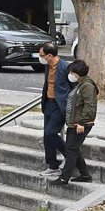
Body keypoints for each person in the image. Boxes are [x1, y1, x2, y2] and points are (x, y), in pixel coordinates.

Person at [51, 59, 97, 186]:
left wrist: (81, 122)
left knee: (70, 150)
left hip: (80, 124)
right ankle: (85, 174)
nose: (70, 75)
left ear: (77, 73)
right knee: (73, 149)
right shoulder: (80, 84)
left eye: (71, 72)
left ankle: (64, 178)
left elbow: (89, 106)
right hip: (74, 123)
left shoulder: (87, 86)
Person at [37, 43, 72, 177]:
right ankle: (52, 165)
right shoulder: (48, 66)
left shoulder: (65, 67)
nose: (40, 58)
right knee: (47, 136)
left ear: (50, 55)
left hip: (60, 105)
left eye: (42, 55)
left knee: (51, 132)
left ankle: (70, 155)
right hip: (49, 103)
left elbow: (73, 87)